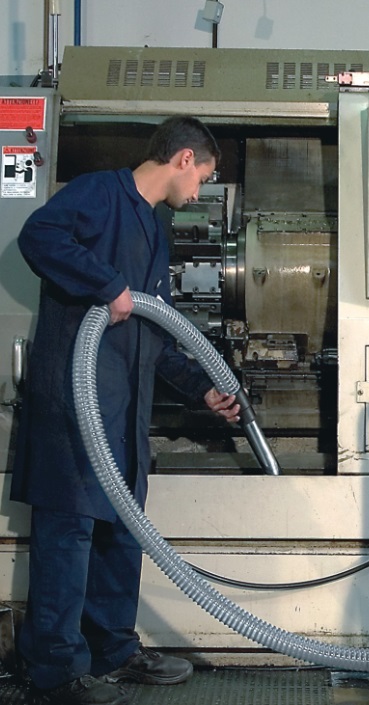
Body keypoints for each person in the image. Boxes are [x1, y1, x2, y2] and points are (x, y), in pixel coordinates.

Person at [12, 116, 240, 705]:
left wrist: (202, 389)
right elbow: (39, 235)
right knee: (69, 532)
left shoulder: (154, 227)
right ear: (183, 159)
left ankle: (111, 649)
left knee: (121, 529)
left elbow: (155, 328)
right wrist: (107, 284)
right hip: (77, 402)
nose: (198, 192)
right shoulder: (100, 192)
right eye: (202, 178)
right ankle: (56, 671)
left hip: (124, 407)